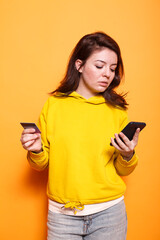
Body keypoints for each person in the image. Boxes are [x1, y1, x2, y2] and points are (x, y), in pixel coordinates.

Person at [20, 32, 140, 240]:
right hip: (62, 216)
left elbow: (123, 169)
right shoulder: (54, 106)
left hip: (109, 213)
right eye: (99, 66)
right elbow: (40, 165)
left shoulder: (118, 111)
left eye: (112, 69)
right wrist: (37, 149)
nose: (107, 74)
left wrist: (128, 154)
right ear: (79, 65)